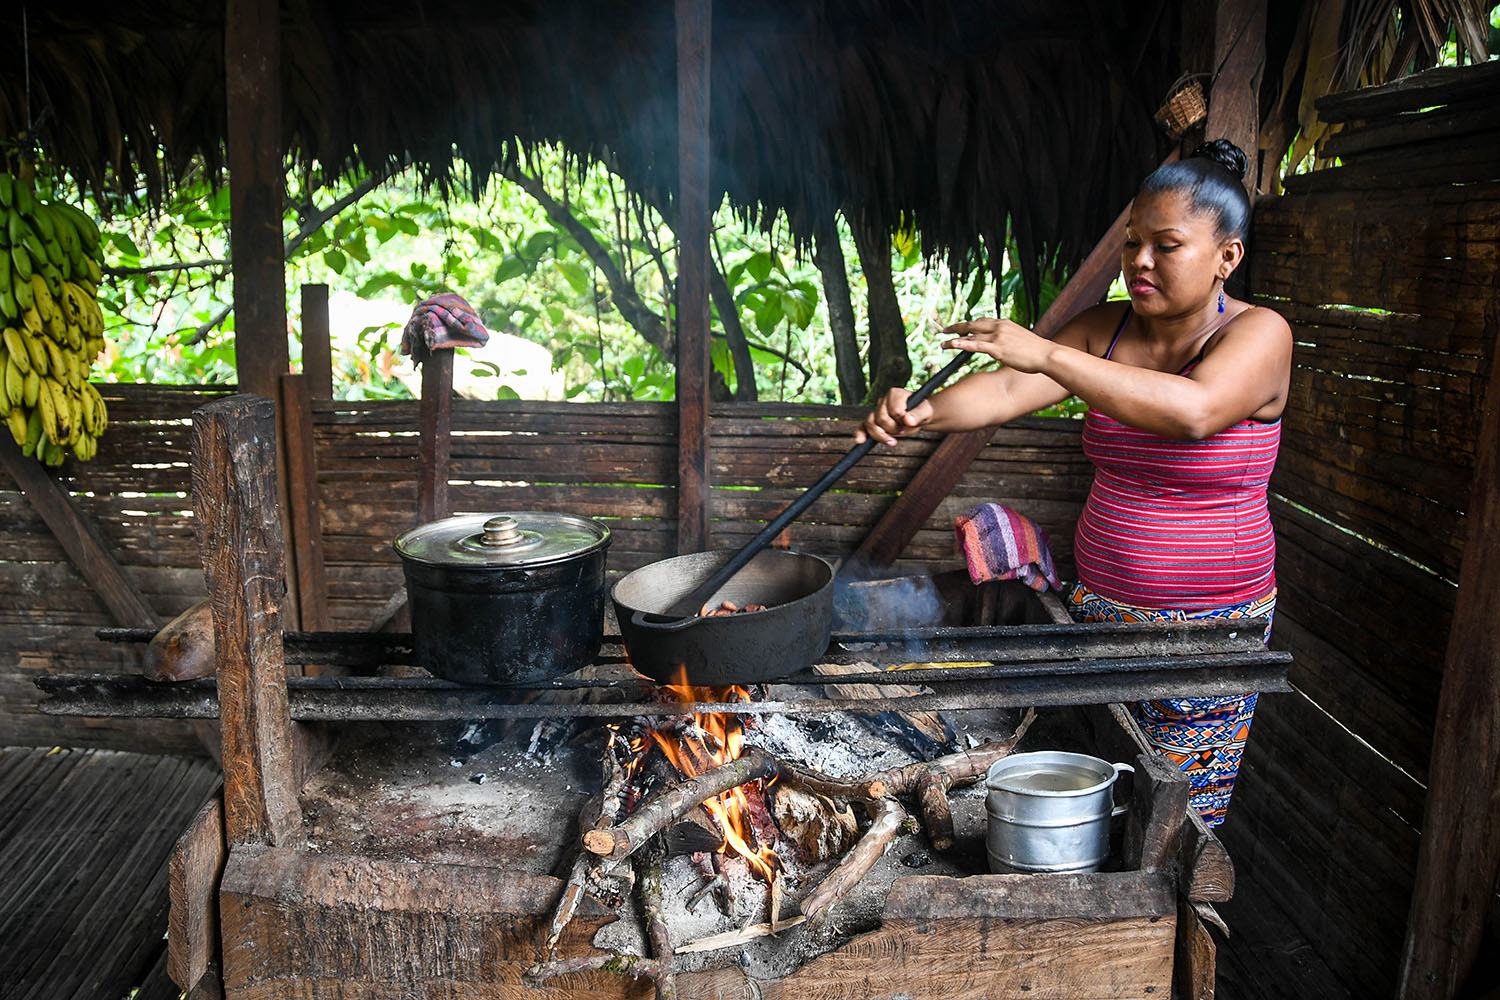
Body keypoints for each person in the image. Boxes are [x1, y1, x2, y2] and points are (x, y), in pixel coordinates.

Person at [855, 139, 1292, 826]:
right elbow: (1003, 389)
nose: (1140, 261)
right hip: (1098, 608)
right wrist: (921, 413)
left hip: (1210, 636)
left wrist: (1049, 352)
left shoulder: (1261, 335)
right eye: (1131, 243)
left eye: (1166, 245)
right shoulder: (1106, 330)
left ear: (1226, 257)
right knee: (1092, 785)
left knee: (1175, 821)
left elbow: (1194, 412)